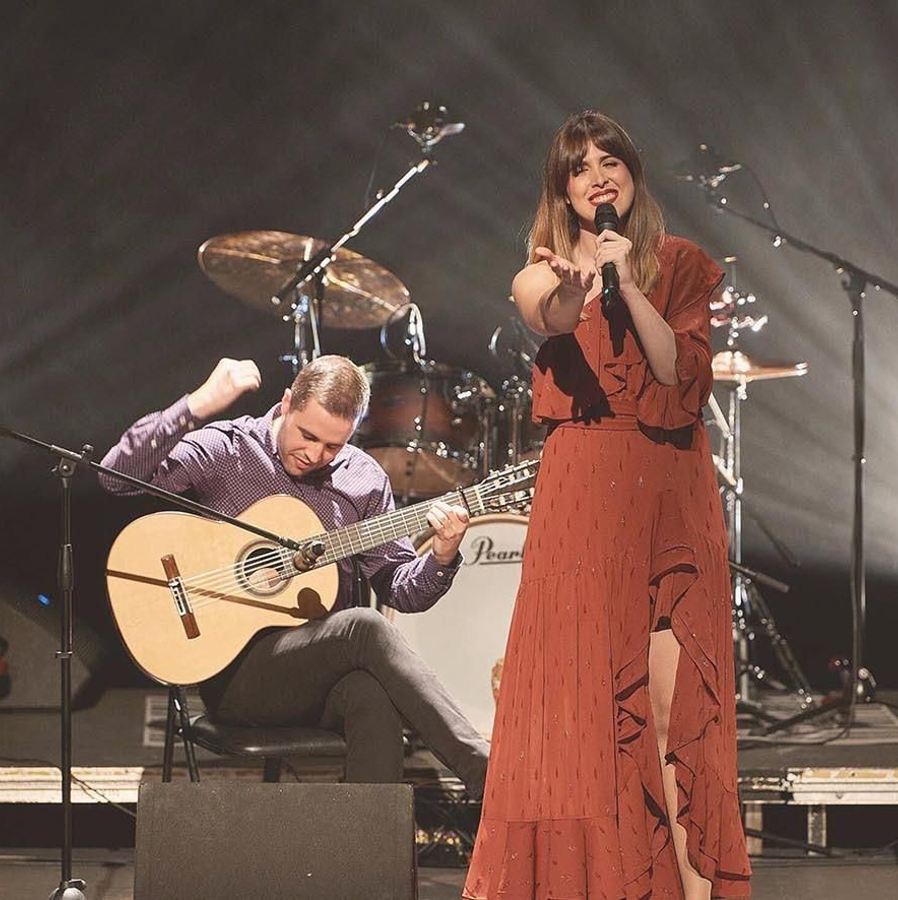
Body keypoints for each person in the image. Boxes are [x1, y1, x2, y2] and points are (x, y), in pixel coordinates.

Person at [464, 111, 751, 899]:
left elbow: (675, 370)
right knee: (581, 709)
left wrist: (627, 281)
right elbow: (545, 313)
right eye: (579, 165)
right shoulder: (543, 266)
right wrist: (577, 287)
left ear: (631, 173)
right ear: (563, 187)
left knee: (673, 707)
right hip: (586, 492)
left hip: (667, 489)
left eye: (610, 160)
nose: (598, 174)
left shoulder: (681, 264)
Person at [99, 354, 489, 796]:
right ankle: (486, 772)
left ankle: (368, 860)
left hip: (317, 677)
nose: (314, 454)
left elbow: (403, 592)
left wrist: (440, 556)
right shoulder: (229, 449)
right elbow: (116, 478)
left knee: (372, 694)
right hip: (236, 676)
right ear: (286, 403)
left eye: (333, 446)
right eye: (307, 435)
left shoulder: (363, 478)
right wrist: (198, 404)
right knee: (363, 625)